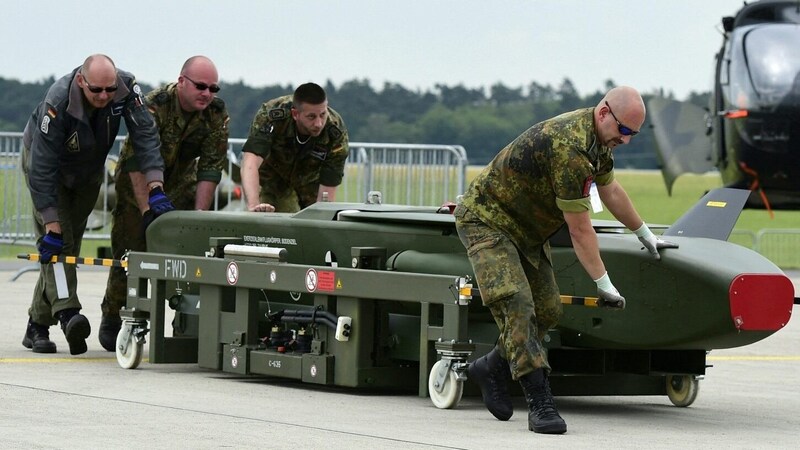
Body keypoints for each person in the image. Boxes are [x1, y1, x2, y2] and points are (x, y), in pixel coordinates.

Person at [453, 86, 678, 434]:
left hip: (526, 231)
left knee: (547, 310)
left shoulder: (598, 143)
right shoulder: (570, 148)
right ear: (604, 113)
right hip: (487, 220)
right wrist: (604, 284)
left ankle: (492, 366)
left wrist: (645, 234)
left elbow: (611, 191)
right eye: (625, 130)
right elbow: (579, 230)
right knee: (517, 303)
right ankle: (540, 402)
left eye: (633, 133)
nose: (627, 140)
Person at [20, 54, 174, 355]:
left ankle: (36, 325)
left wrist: (156, 185)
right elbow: (41, 167)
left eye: (109, 90)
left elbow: (145, 135)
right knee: (57, 241)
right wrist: (50, 220)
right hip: (47, 170)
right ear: (81, 81)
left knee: (69, 244)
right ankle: (68, 314)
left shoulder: (127, 89)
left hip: (88, 171)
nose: (104, 96)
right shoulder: (58, 101)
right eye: (96, 91)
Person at [98, 56, 230, 351]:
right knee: (129, 250)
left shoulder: (216, 113)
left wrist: (199, 215)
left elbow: (210, 167)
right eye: (200, 86)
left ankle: (185, 318)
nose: (207, 94)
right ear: (181, 81)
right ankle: (114, 315)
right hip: (139, 181)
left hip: (181, 181)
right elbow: (135, 159)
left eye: (213, 88)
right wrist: (147, 211)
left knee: (190, 252)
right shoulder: (154, 104)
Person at [240, 82, 349, 213]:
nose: (319, 123)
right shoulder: (273, 115)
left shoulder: (335, 131)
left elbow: (328, 186)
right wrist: (254, 206)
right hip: (272, 179)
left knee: (315, 222)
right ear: (295, 114)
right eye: (311, 117)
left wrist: (321, 219)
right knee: (269, 220)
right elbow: (250, 163)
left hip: (310, 183)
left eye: (323, 114)